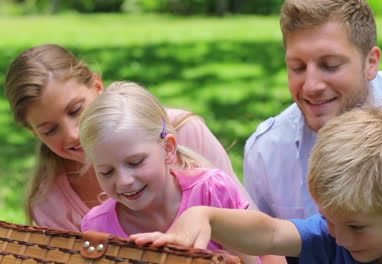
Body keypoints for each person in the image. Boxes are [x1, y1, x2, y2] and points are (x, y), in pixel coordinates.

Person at [131, 107, 382, 264]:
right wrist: (205, 217)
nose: (340, 237)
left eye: (355, 226)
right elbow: (270, 233)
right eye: (329, 220)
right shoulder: (339, 237)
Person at [243, 0, 382, 233]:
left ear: (371, 63)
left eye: (330, 65)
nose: (311, 86)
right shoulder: (266, 151)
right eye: (298, 68)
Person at [4, 43, 255, 231]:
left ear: (97, 86)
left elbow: (260, 235)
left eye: (75, 110)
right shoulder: (50, 202)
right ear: (33, 132)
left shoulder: (182, 131)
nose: (73, 133)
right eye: (49, 130)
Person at [78, 81, 258, 264]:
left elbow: (251, 259)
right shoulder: (97, 226)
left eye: (135, 162)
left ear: (169, 148)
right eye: (106, 172)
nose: (124, 181)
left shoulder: (211, 191)